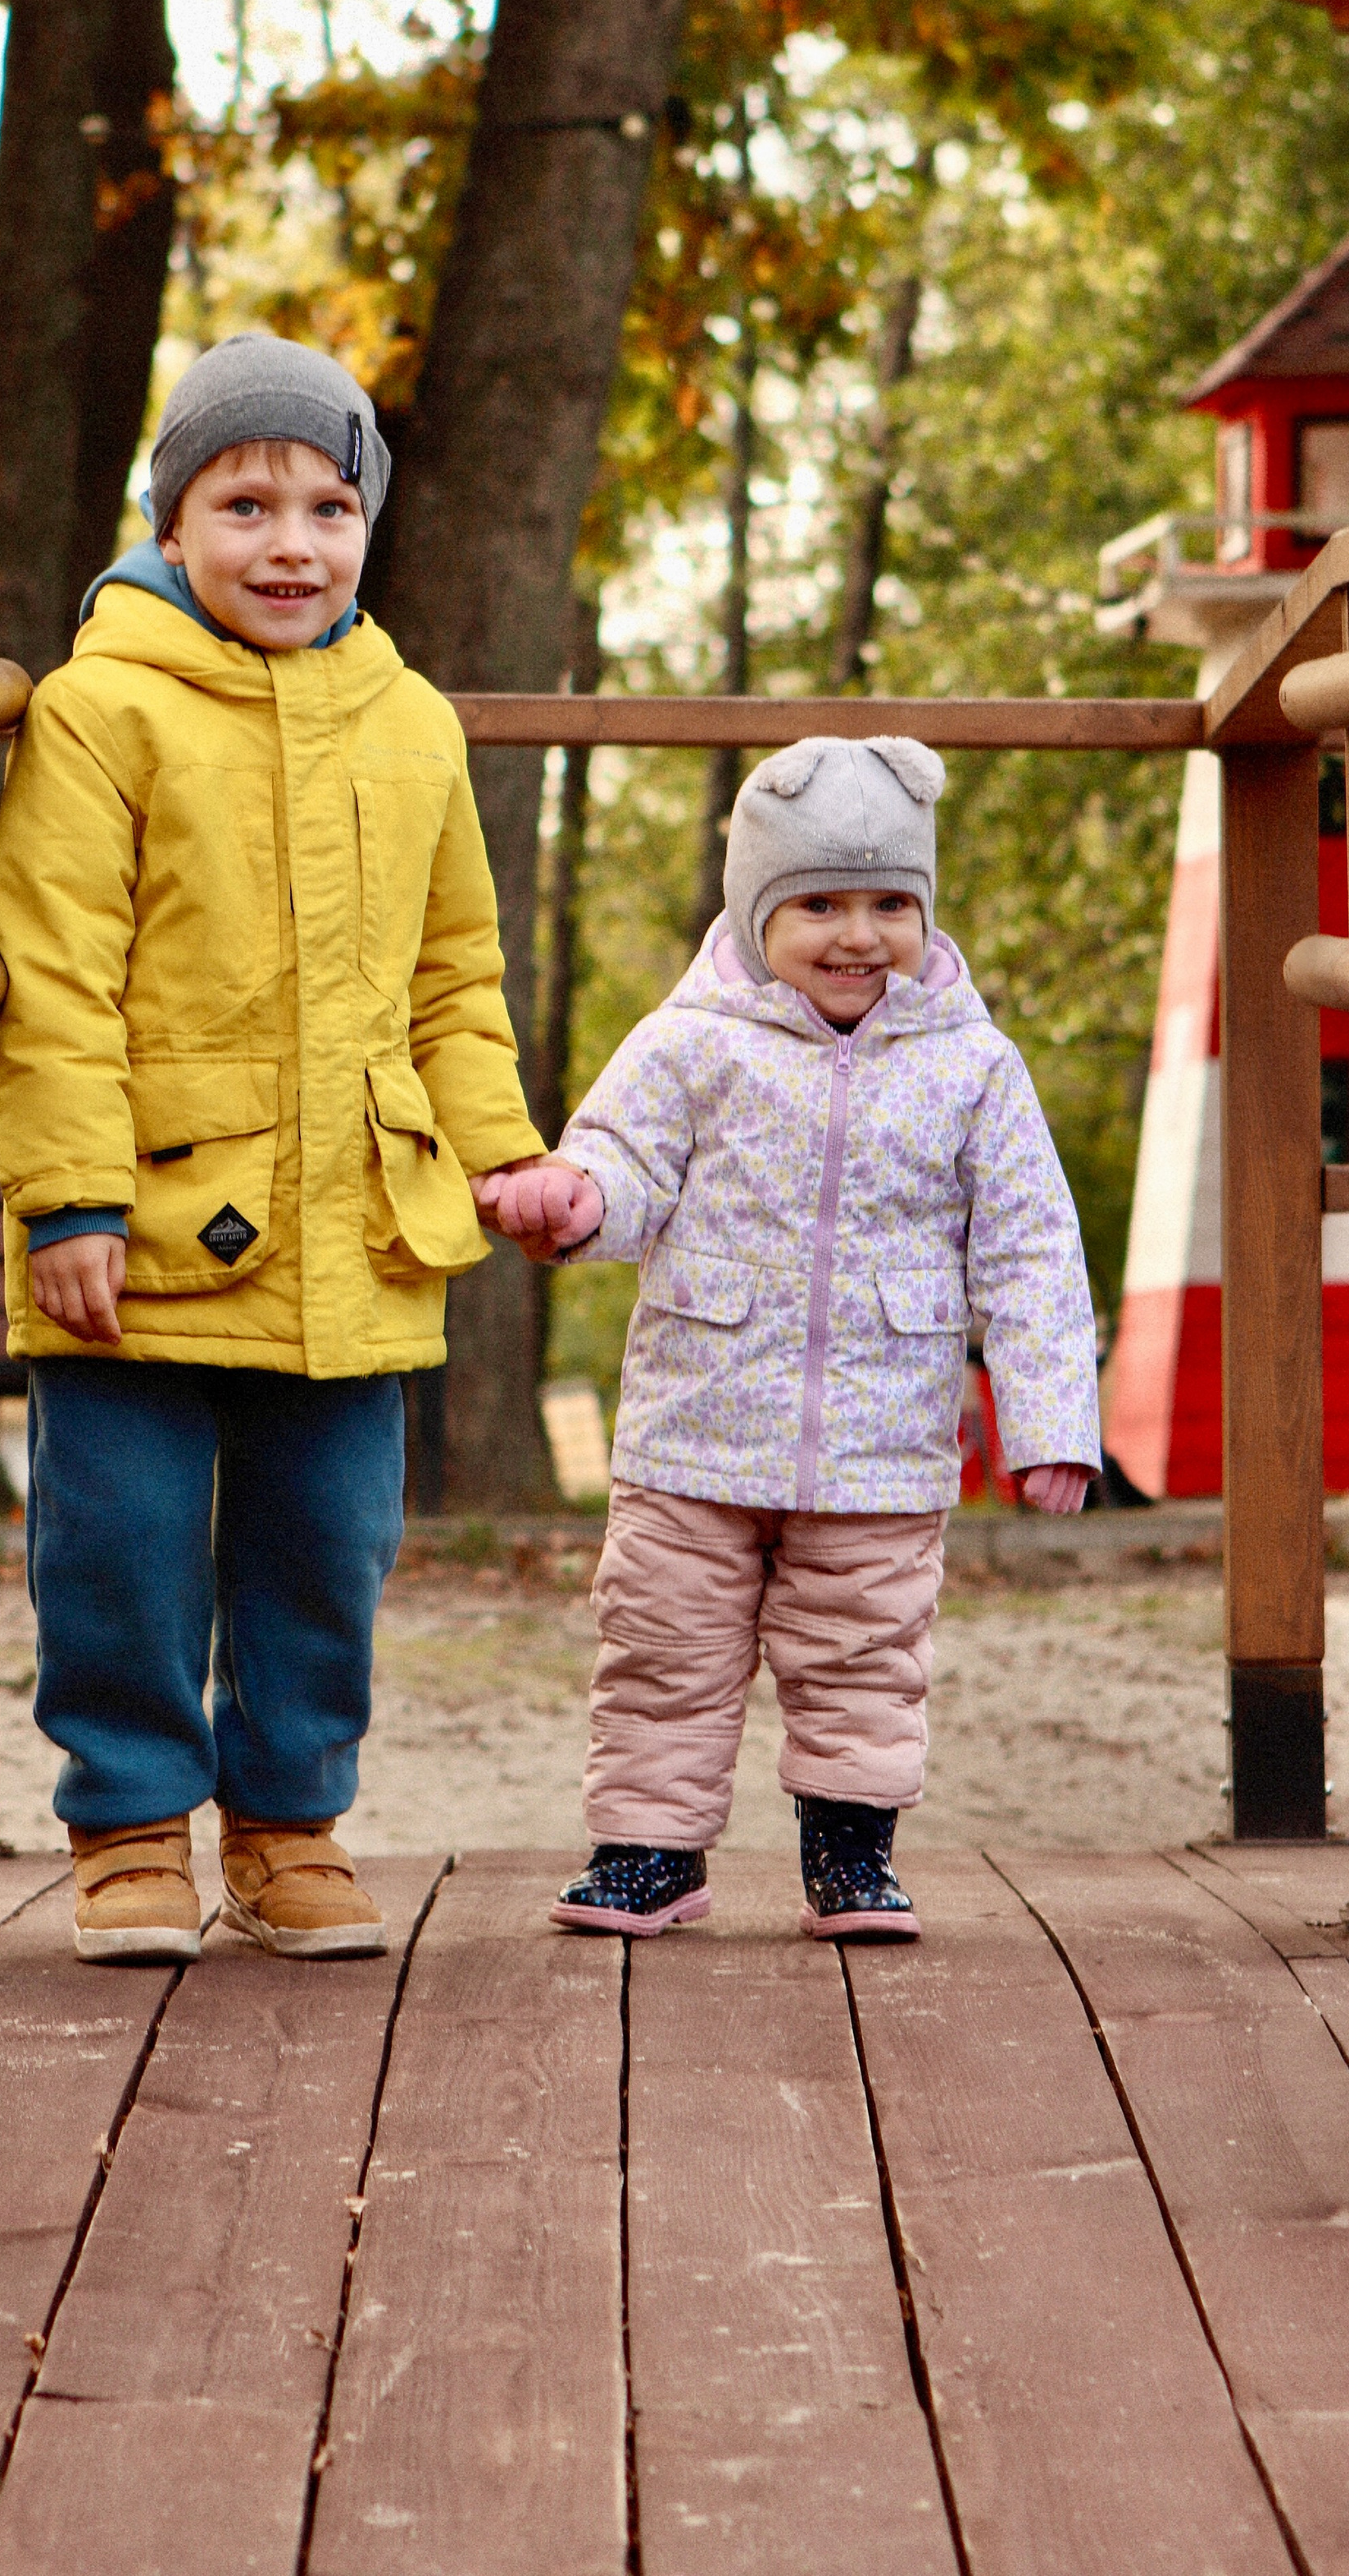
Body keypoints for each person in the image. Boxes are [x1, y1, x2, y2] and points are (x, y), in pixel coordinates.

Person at [0, 334, 546, 1965]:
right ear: (170, 524)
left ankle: (290, 1827)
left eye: (327, 507)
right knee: (122, 1546)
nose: (290, 542)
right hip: (144, 1225)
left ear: (367, 525)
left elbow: (455, 978)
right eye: (245, 505)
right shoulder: (100, 711)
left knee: (325, 1549)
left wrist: (502, 1155)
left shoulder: (413, 723)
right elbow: (58, 971)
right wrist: (69, 1197)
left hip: (356, 1227)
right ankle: (128, 1828)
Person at [475, 736, 1100, 1941]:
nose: (858, 935)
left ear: (925, 913)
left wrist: (1050, 1421)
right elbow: (623, 1163)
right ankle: (650, 1852)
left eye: (889, 905)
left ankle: (851, 1853)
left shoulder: (974, 1067)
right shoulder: (690, 1042)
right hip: (695, 1432)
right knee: (663, 1644)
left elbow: (1031, 1252)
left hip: (880, 1447)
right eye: (819, 905)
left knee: (864, 1652)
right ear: (757, 912)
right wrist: (576, 1199)